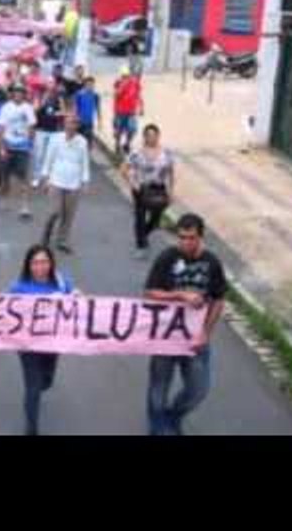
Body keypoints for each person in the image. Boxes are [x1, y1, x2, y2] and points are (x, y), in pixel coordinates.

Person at [144, 214, 227, 436]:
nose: (185, 243)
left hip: (195, 339)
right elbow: (150, 292)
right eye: (181, 237)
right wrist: (180, 295)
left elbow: (218, 300)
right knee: (158, 388)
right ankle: (157, 428)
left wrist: (206, 334)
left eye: (191, 238)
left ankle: (173, 416)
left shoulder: (212, 263)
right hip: (166, 338)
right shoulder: (167, 258)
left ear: (201, 237)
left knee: (198, 390)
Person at [7, 245, 75, 436]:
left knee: (46, 381)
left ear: (51, 263)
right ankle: (31, 427)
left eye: (44, 261)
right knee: (33, 387)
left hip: (53, 343)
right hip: (28, 346)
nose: (40, 266)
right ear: (28, 265)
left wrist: (78, 297)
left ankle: (40, 386)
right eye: (35, 262)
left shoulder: (61, 283)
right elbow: (4, 313)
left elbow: (74, 299)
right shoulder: (18, 288)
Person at [123, 124, 175, 260]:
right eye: (148, 136)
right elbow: (124, 169)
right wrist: (132, 184)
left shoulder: (166, 153)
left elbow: (171, 173)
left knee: (156, 218)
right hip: (141, 188)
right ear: (144, 137)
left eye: (154, 135)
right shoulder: (137, 153)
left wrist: (171, 191)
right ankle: (141, 246)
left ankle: (143, 234)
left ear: (158, 136)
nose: (151, 138)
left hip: (159, 189)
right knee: (140, 217)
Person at [40, 114, 90, 254]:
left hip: (73, 182)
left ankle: (62, 240)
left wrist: (85, 181)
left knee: (69, 214)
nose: (71, 126)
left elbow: (84, 162)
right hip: (56, 180)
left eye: (74, 123)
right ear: (64, 124)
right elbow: (49, 158)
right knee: (55, 211)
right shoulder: (56, 139)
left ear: (77, 126)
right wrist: (45, 177)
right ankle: (46, 235)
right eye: (69, 123)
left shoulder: (82, 142)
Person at [0, 84, 38, 220]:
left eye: (21, 92)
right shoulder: (5, 108)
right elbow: (0, 128)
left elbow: (32, 127)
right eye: (16, 92)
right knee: (6, 177)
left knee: (23, 177)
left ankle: (24, 206)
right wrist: (1, 147)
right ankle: (6, 201)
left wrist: (30, 144)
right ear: (12, 94)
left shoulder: (28, 108)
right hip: (8, 145)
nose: (18, 94)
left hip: (22, 147)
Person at [32, 84, 66, 189]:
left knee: (51, 155)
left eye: (52, 90)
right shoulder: (39, 98)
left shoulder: (58, 100)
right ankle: (36, 178)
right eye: (48, 90)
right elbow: (35, 111)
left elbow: (64, 113)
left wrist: (57, 111)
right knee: (38, 155)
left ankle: (50, 178)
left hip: (54, 131)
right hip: (41, 131)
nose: (50, 92)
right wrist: (43, 101)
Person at [113, 66, 144, 157]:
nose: (125, 78)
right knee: (119, 130)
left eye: (127, 76)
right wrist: (122, 86)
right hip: (120, 112)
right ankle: (117, 144)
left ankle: (127, 143)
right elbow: (116, 95)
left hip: (131, 112)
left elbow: (138, 95)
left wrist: (141, 107)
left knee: (132, 129)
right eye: (123, 76)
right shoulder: (118, 83)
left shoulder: (135, 84)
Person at [74, 76, 102, 146]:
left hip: (89, 123)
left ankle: (87, 155)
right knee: (78, 142)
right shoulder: (79, 94)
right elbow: (75, 107)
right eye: (88, 85)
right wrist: (75, 119)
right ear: (85, 85)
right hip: (79, 122)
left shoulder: (96, 96)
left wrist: (100, 121)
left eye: (92, 85)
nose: (90, 86)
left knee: (88, 142)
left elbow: (98, 109)